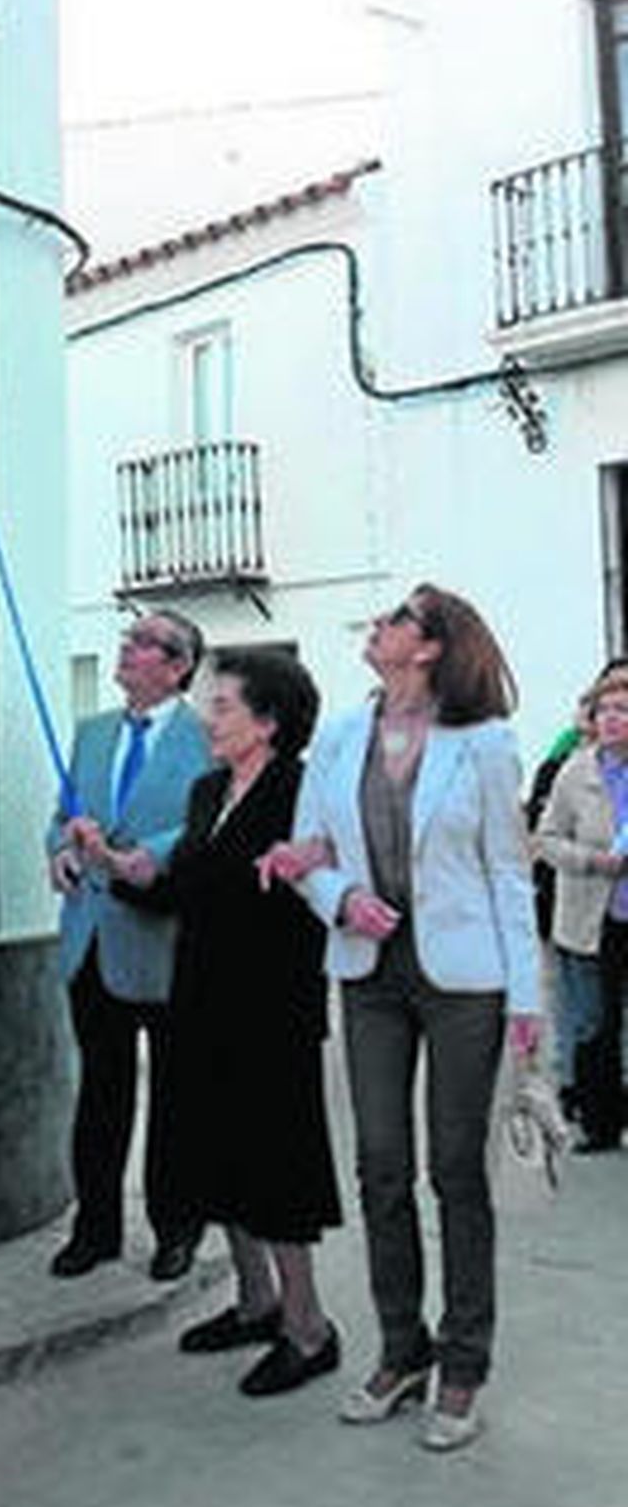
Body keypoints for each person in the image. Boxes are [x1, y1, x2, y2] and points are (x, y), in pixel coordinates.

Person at [262, 585, 540, 1453]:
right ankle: (400, 1349)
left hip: (466, 980)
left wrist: (527, 999)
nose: (376, 631)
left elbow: (506, 871)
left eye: (393, 622)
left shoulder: (485, 743)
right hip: (370, 975)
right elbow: (311, 852)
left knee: (458, 1171)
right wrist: (341, 898)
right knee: (381, 1164)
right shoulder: (340, 736)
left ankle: (464, 1363)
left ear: (428, 647)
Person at [133, 650, 342, 1397]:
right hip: (199, 1002)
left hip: (270, 1008)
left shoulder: (305, 791)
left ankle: (308, 1327)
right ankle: (255, 1302)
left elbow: (315, 891)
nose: (209, 718)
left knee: (275, 1166)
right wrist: (128, 870)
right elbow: (188, 887)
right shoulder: (207, 789)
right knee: (216, 1155)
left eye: (222, 706)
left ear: (269, 721)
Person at [46, 610, 211, 1282]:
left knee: (175, 1096)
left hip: (165, 938)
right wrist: (60, 850)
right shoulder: (92, 733)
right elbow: (63, 816)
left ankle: (177, 1228)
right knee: (100, 1091)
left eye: (143, 644)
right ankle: (96, 1228)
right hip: (91, 936)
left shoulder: (206, 741)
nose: (127, 649)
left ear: (176, 666)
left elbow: (205, 821)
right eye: (128, 640)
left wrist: (140, 856)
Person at [536, 668, 628, 1153]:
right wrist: (594, 860)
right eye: (605, 711)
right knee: (595, 1021)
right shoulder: (577, 771)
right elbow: (546, 840)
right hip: (593, 916)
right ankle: (601, 1122)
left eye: (623, 711)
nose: (612, 720)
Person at [526, 691, 594, 1119]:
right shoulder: (565, 766)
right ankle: (577, 1086)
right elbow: (543, 832)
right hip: (573, 898)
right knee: (578, 1001)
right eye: (599, 709)